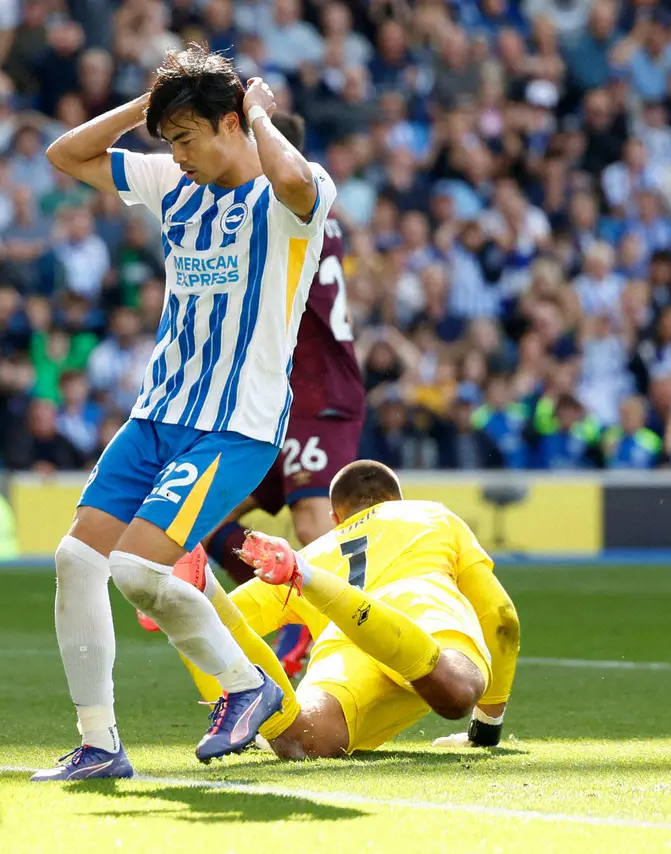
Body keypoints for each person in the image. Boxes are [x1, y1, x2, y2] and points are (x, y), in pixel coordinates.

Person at [32, 46, 338, 781]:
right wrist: (149, 107)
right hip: (157, 414)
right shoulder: (173, 182)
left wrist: (259, 112)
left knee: (137, 568)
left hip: (235, 424)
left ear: (232, 122)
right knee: (76, 560)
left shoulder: (291, 195)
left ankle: (246, 685)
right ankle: (99, 743)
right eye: (168, 140)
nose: (177, 154)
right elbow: (66, 154)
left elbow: (295, 181)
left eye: (187, 136)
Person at [137, 112, 366, 682]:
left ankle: (343, 632)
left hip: (316, 393)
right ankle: (290, 612)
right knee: (202, 520)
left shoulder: (291, 206)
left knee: (313, 523)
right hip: (265, 399)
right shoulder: (270, 207)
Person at [178, 460, 520, 758]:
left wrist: (182, 609)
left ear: (335, 517)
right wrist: (487, 724)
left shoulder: (315, 550)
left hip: (341, 647)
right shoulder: (431, 515)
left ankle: (209, 590)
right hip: (420, 611)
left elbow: (214, 628)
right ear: (397, 501)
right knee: (457, 693)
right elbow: (501, 616)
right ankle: (315, 582)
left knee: (302, 741)